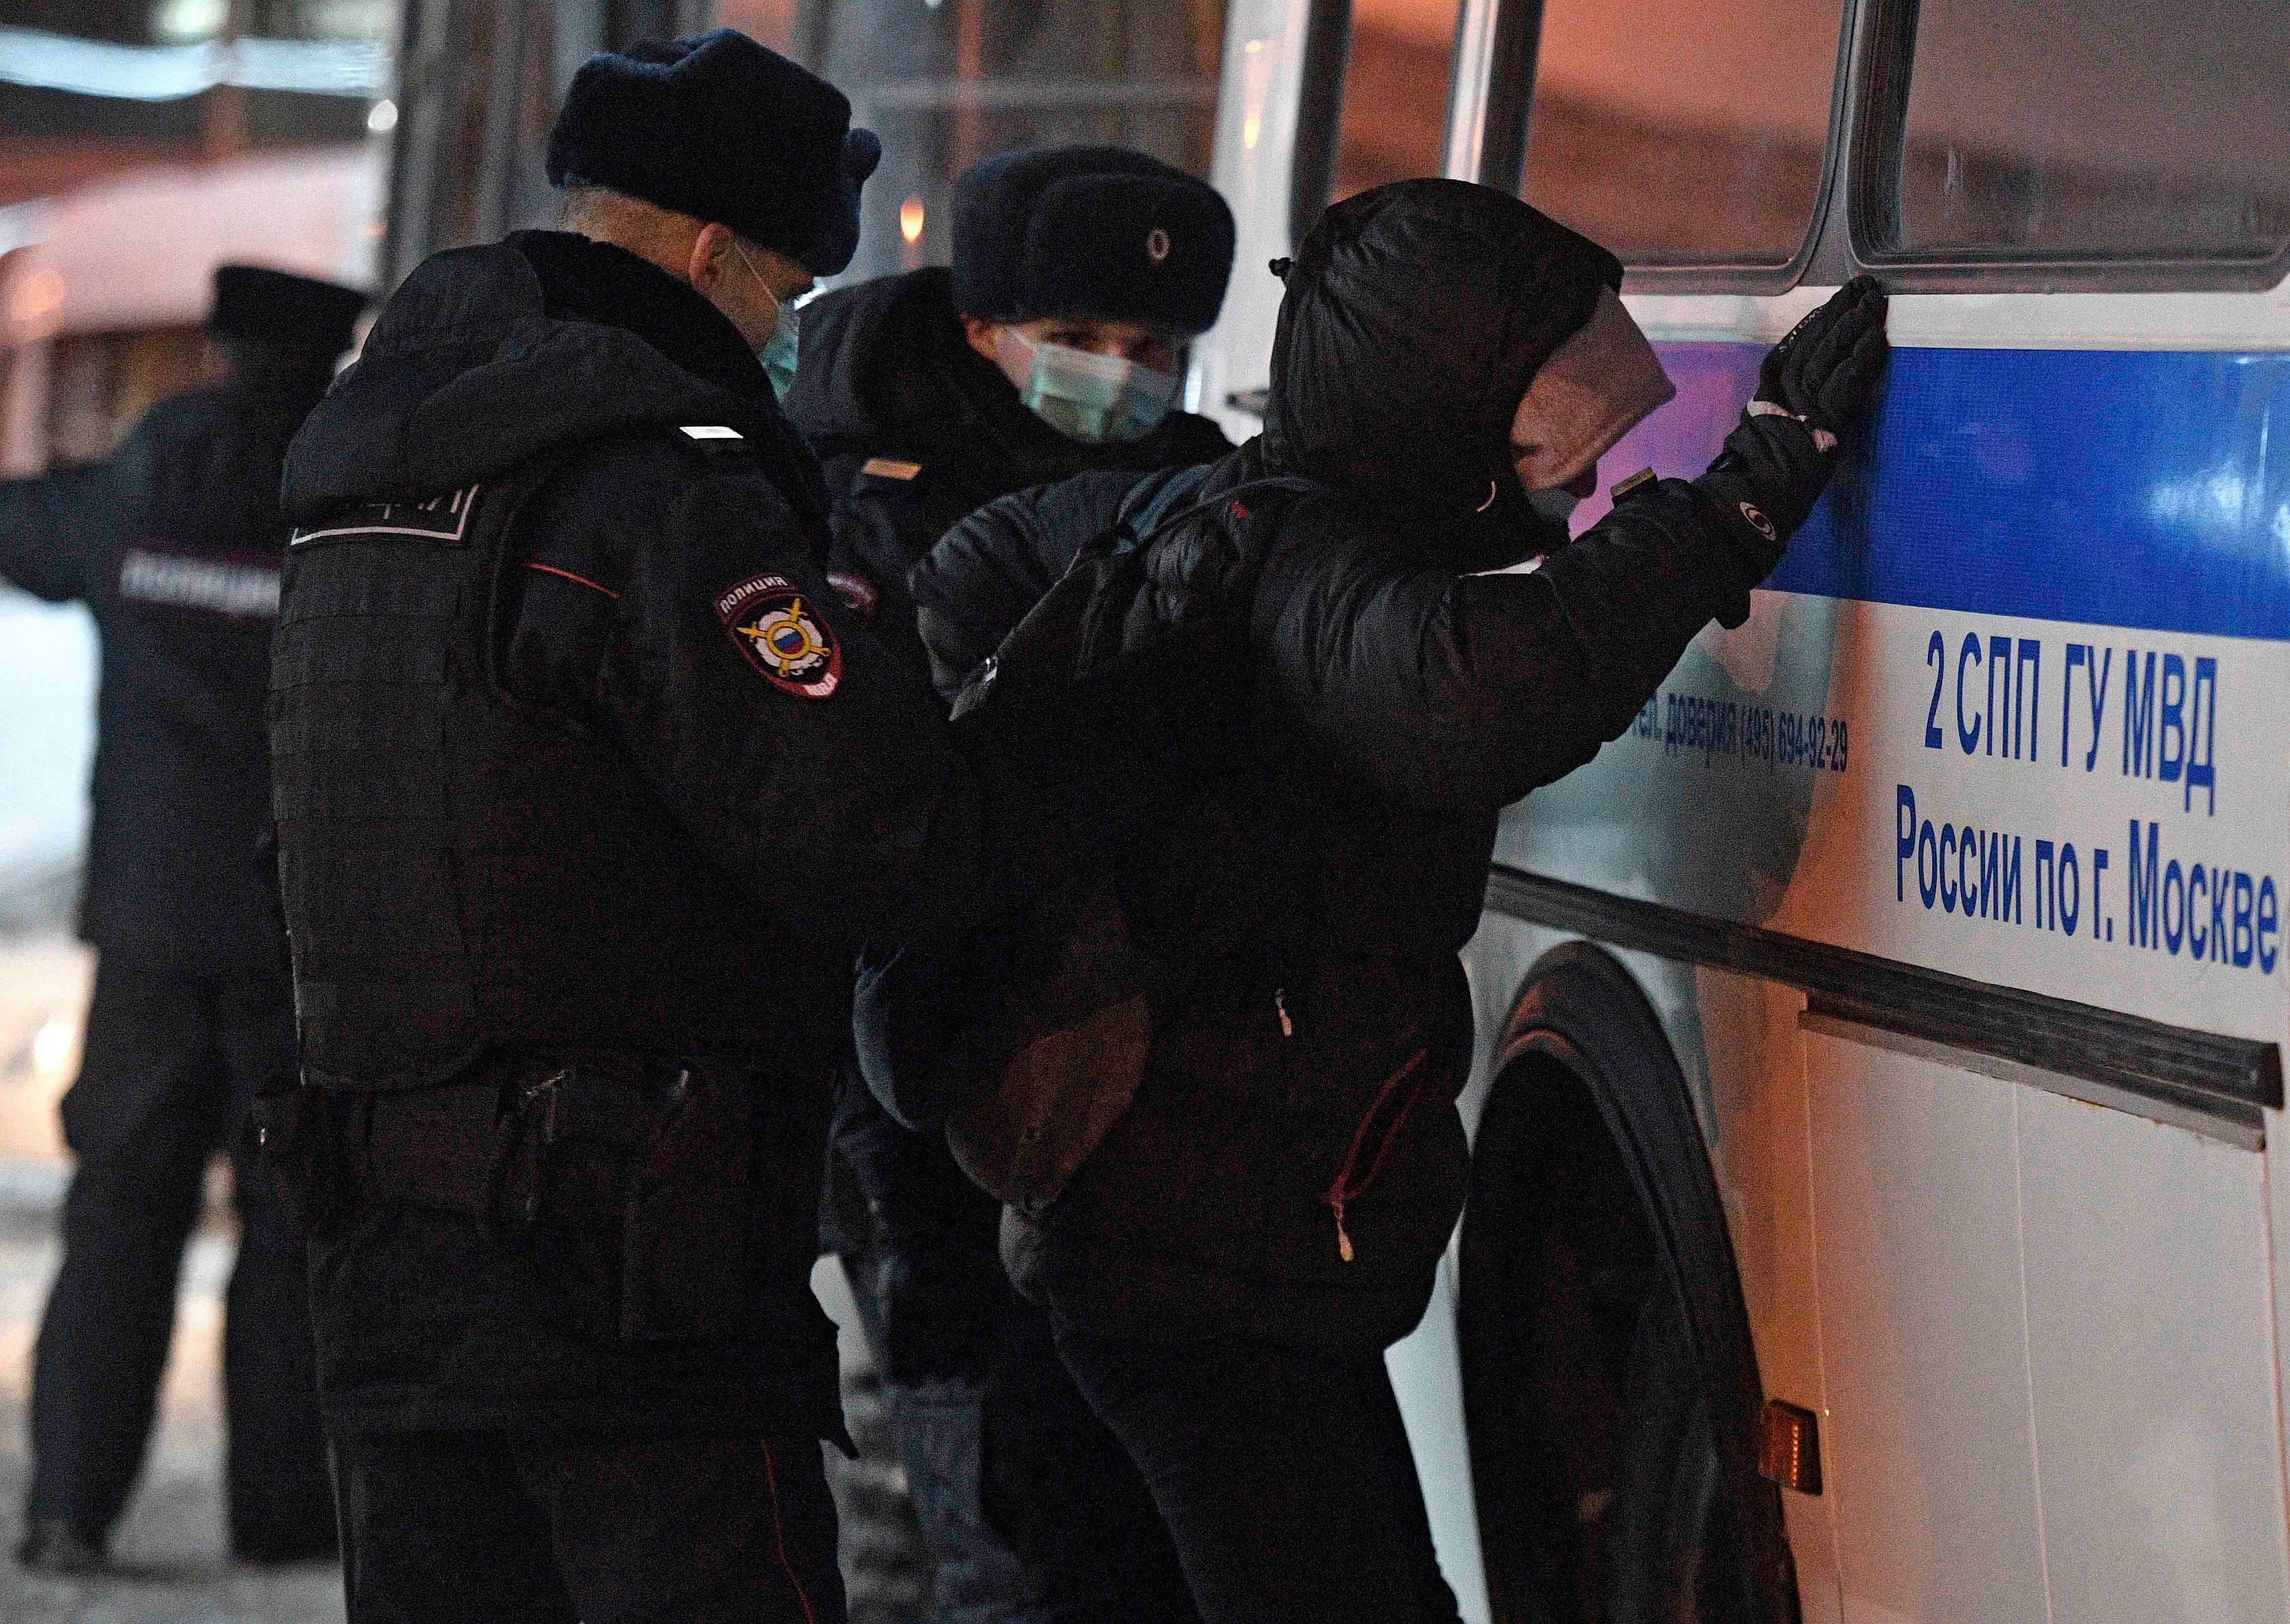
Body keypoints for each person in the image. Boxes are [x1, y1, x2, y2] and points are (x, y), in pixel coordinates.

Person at [881, 179, 1890, 1623]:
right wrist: (1740, 499)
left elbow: (981, 570)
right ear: (1436, 407)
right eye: (1537, 428)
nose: (1565, 482)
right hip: (1196, 1264)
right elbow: (1481, 689)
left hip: (1218, 1251)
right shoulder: (1305, 558)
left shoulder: (1242, 516)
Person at [268, 30, 1160, 1624]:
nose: (788, 330)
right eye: (787, 291)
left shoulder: (366, 478)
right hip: (633, 1291)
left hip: (388, 1268)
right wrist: (1093, 714)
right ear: (708, 256)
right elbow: (875, 835)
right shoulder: (659, 484)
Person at [783, 144, 1231, 1624]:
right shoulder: (864, 505)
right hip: (938, 1094)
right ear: (984, 329)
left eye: (1158, 347)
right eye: (1088, 341)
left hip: (1150, 1098)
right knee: (1000, 1528)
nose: (1126, 374)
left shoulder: (1196, 484)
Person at [0, 263, 363, 1573]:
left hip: (150, 932)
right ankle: (282, 1519)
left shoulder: (140, 485)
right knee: (289, 1223)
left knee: (120, 1212)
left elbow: (26, 533)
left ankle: (69, 1509)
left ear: (215, 349)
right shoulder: (345, 499)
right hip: (295, 940)